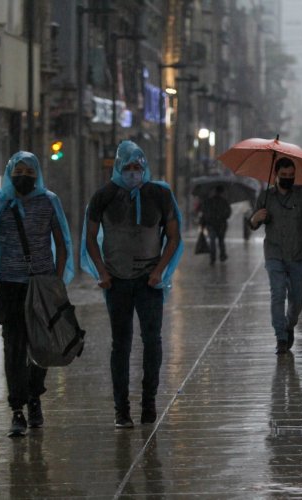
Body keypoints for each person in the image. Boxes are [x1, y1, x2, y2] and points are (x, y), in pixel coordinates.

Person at [82, 141, 183, 428]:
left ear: (145, 167)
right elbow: (89, 237)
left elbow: (173, 236)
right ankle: (121, 409)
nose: (132, 172)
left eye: (137, 167)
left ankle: (149, 401)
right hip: (117, 281)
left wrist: (159, 271)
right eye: (127, 167)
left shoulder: (159, 195)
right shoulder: (103, 196)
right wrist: (101, 271)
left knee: (152, 341)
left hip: (149, 281)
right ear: (117, 167)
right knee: (121, 345)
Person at [0, 151, 74, 437]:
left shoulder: (49, 201)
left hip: (41, 286)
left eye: (30, 173)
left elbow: (62, 241)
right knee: (14, 349)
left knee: (42, 347)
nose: (24, 177)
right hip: (11, 286)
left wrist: (56, 280)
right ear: (9, 172)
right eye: (19, 171)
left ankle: (34, 397)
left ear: (38, 174)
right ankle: (17, 409)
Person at [249, 157, 302, 354]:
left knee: (297, 299)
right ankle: (281, 336)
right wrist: (255, 219)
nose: (288, 178)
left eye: (291, 175)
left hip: (298, 254)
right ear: (276, 175)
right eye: (284, 175)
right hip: (274, 253)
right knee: (278, 293)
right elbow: (254, 222)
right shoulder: (266, 196)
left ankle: (289, 325)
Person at [200, 185, 232, 263]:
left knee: (212, 241)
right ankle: (222, 255)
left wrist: (204, 222)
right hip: (221, 225)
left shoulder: (209, 201)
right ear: (222, 192)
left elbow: (205, 212)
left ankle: (212, 257)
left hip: (211, 224)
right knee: (221, 240)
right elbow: (228, 213)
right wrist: (222, 217)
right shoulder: (224, 202)